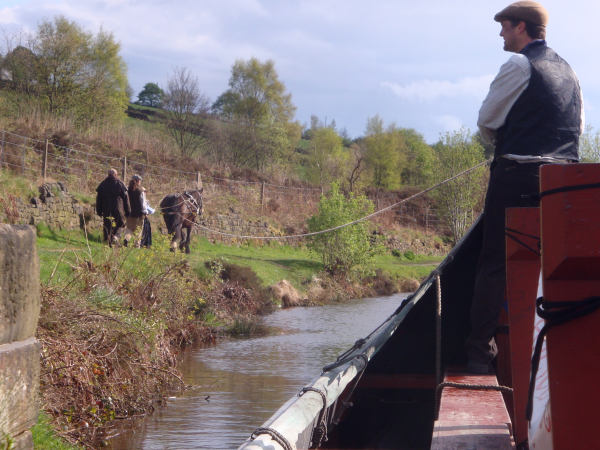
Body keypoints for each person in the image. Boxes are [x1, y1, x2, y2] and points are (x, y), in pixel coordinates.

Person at [467, 1, 584, 374]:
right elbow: (576, 130)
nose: (500, 33)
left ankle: (478, 358)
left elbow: (487, 120)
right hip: (566, 185)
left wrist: (507, 141)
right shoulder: (571, 71)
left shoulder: (518, 65)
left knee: (494, 264)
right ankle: (560, 350)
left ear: (521, 28)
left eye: (504, 26)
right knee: (553, 265)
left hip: (517, 176)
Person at [96, 168, 130, 247]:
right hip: (118, 209)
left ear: (108, 175)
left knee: (108, 225)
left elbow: (99, 199)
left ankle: (109, 241)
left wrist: (99, 210)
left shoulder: (103, 184)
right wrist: (128, 211)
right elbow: (126, 199)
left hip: (106, 209)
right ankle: (115, 238)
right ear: (116, 175)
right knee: (121, 224)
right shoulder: (120, 184)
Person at [124, 174, 148, 248]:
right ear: (138, 181)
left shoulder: (127, 189)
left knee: (129, 228)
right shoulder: (140, 191)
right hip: (139, 214)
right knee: (138, 230)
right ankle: (136, 245)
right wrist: (146, 212)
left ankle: (126, 239)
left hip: (129, 213)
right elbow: (143, 203)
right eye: (140, 181)